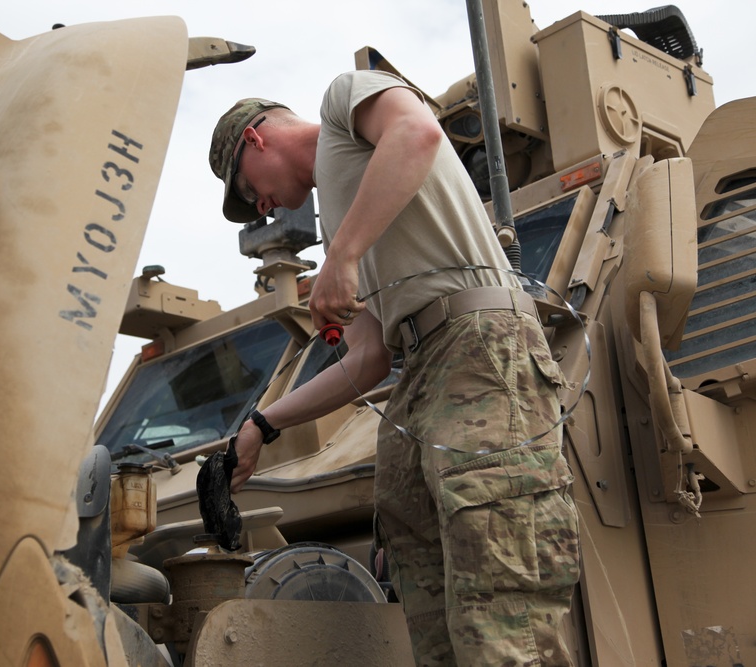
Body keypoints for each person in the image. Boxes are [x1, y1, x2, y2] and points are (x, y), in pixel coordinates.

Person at [208, 69, 581, 665]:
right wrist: (259, 426)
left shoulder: (341, 104)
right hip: (421, 371)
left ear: (256, 139)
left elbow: (416, 132)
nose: (263, 207)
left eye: (249, 191)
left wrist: (345, 254)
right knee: (428, 609)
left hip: (478, 342)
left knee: (502, 603)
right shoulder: (341, 219)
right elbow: (367, 357)